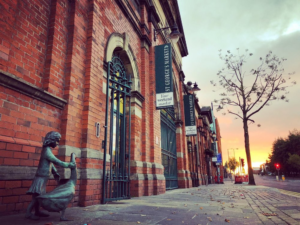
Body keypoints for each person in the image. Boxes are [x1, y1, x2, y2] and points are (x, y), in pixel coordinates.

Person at [25, 131, 76, 220]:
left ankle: (37, 211)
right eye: (57, 141)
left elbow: (50, 163)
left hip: (43, 178)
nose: (57, 143)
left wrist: (55, 172)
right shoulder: (47, 151)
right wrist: (68, 165)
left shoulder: (47, 150)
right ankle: (28, 213)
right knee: (36, 198)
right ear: (51, 140)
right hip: (40, 178)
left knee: (39, 196)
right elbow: (56, 161)